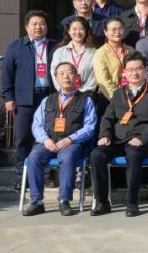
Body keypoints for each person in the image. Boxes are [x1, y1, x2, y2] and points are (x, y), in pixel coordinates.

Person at [89, 53, 148, 217]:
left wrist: (143, 138)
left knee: (133, 153)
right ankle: (102, 202)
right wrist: (105, 135)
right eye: (130, 70)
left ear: (145, 70)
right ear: (124, 72)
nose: (134, 73)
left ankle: (132, 202)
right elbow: (107, 118)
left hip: (143, 142)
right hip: (118, 140)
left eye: (138, 69)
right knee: (96, 155)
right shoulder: (118, 94)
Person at [22, 62, 98, 216]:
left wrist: (70, 139)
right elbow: (37, 125)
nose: (66, 76)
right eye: (61, 73)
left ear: (76, 77)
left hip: (72, 143)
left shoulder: (86, 100)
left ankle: (64, 200)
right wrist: (45, 140)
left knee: (67, 157)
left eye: (70, 73)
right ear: (56, 78)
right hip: (49, 141)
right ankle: (37, 202)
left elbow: (90, 127)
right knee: (34, 157)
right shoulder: (47, 100)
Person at [4, 11, 57, 170]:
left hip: (49, 97)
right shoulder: (16, 46)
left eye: (42, 24)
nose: (38, 27)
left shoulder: (55, 46)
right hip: (24, 99)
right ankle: (22, 175)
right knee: (23, 137)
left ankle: (47, 174)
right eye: (34, 24)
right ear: (27, 27)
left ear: (47, 27)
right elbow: (7, 73)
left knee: (49, 136)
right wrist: (8, 97)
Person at [50, 16, 97, 95]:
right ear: (68, 31)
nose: (77, 32)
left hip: (86, 95)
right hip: (64, 95)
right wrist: (64, 91)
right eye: (74, 29)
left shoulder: (94, 53)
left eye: (81, 29)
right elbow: (54, 74)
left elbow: (94, 77)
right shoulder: (59, 52)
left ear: (86, 31)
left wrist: (84, 94)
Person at [92, 17, 135, 101]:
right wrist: (119, 100)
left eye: (120, 29)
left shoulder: (131, 50)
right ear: (105, 32)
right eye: (113, 29)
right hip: (109, 98)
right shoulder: (100, 53)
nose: (117, 32)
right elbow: (103, 80)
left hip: (131, 94)